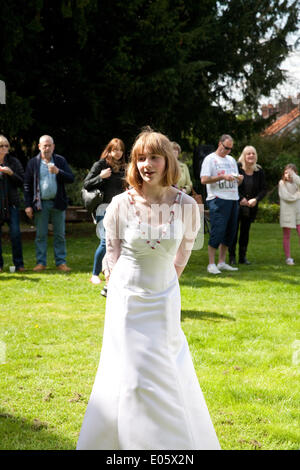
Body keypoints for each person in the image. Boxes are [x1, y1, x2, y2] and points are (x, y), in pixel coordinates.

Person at [77, 128, 220, 450]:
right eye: (140, 158)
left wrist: (166, 282)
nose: (146, 164)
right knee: (134, 374)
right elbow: (110, 252)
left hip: (165, 296)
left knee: (166, 369)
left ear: (167, 160)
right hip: (127, 298)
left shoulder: (186, 205)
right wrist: (115, 285)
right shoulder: (118, 204)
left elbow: (183, 251)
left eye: (154, 157)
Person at [24, 135, 74, 272]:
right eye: (44, 146)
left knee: (59, 234)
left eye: (49, 145)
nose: (47, 148)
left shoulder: (60, 161)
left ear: (53, 147)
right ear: (39, 147)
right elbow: (27, 185)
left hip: (58, 203)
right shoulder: (33, 163)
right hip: (41, 204)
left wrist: (58, 172)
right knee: (41, 235)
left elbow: (71, 178)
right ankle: (41, 263)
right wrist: (28, 205)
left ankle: (61, 262)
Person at [83, 138, 126, 288]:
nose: (118, 153)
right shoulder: (101, 164)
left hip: (120, 207)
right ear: (109, 150)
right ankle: (95, 274)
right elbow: (86, 184)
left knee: (119, 241)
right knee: (105, 241)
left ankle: (111, 271)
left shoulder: (124, 167)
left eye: (120, 150)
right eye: (115, 150)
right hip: (104, 207)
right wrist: (101, 176)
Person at [200, 134, 244, 274]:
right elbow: (204, 179)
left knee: (230, 232)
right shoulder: (210, 159)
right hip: (218, 199)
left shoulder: (231, 160)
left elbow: (237, 182)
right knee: (217, 231)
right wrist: (222, 177)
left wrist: (239, 179)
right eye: (226, 148)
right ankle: (211, 263)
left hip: (233, 198)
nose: (228, 151)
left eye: (230, 149)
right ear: (220, 144)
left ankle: (222, 262)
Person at [229, 146, 267, 265]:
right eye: (248, 154)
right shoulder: (237, 168)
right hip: (237, 205)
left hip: (251, 207)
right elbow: (233, 185)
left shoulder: (259, 171)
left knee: (245, 232)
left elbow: (264, 189)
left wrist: (255, 199)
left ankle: (242, 257)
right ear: (244, 156)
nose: (251, 156)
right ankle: (232, 257)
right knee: (233, 232)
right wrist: (241, 198)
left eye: (253, 154)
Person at [0, 135, 25, 272]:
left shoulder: (13, 162)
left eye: (6, 146)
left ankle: (19, 264)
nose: (4, 148)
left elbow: (22, 181)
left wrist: (11, 173)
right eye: (1, 146)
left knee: (15, 234)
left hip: (12, 204)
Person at [278, 164, 300, 265]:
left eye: (291, 172)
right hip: (287, 213)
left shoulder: (297, 183)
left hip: (298, 212)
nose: (288, 175)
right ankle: (288, 258)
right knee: (287, 235)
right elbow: (287, 197)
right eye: (286, 172)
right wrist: (298, 195)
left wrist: (294, 176)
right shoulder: (282, 183)